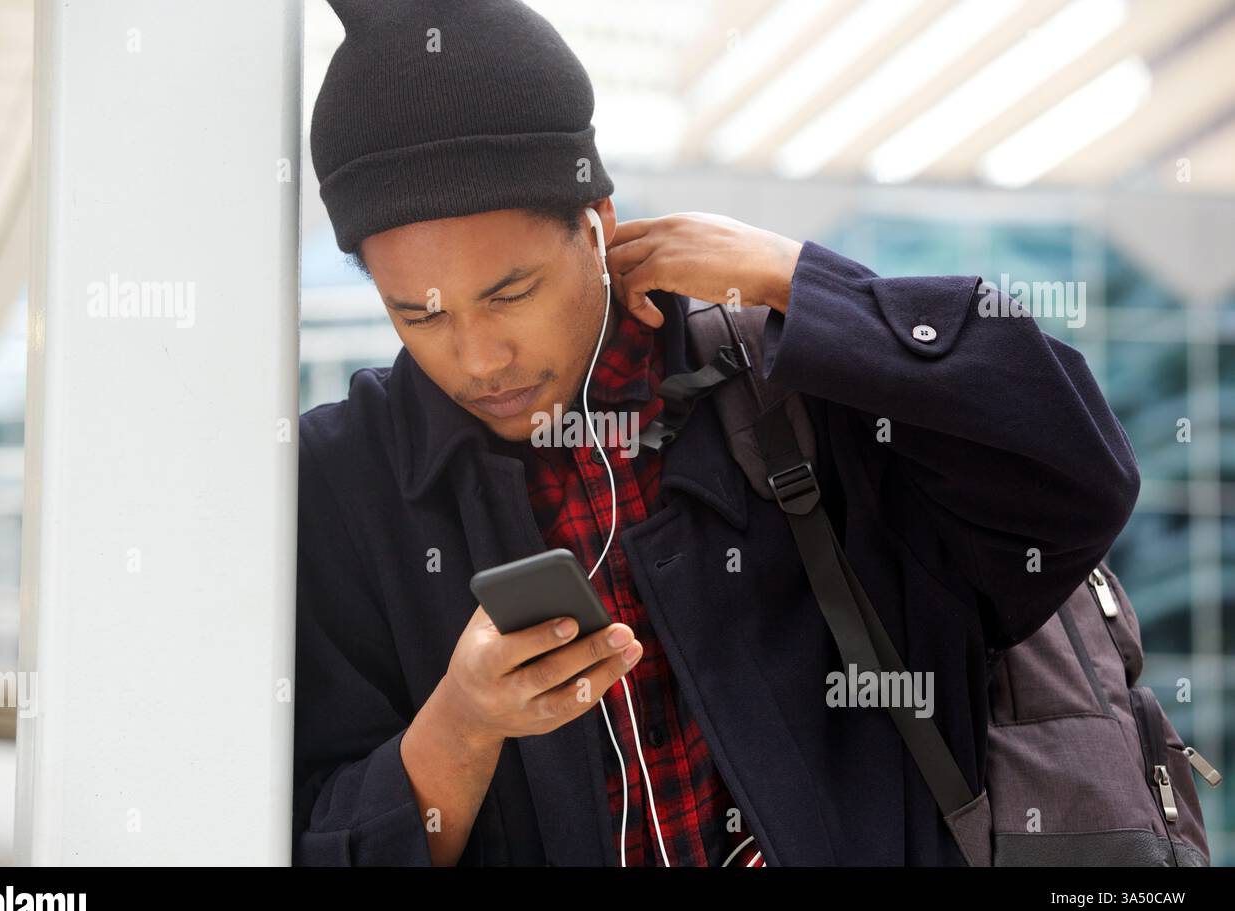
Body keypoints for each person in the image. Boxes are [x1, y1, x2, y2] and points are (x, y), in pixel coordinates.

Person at [293, 0, 1140, 866]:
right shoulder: (339, 485)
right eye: (418, 316)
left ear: (599, 219)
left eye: (511, 294)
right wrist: (463, 727)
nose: (479, 359)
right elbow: (298, 831)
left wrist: (806, 282)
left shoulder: (789, 378)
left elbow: (1077, 480)